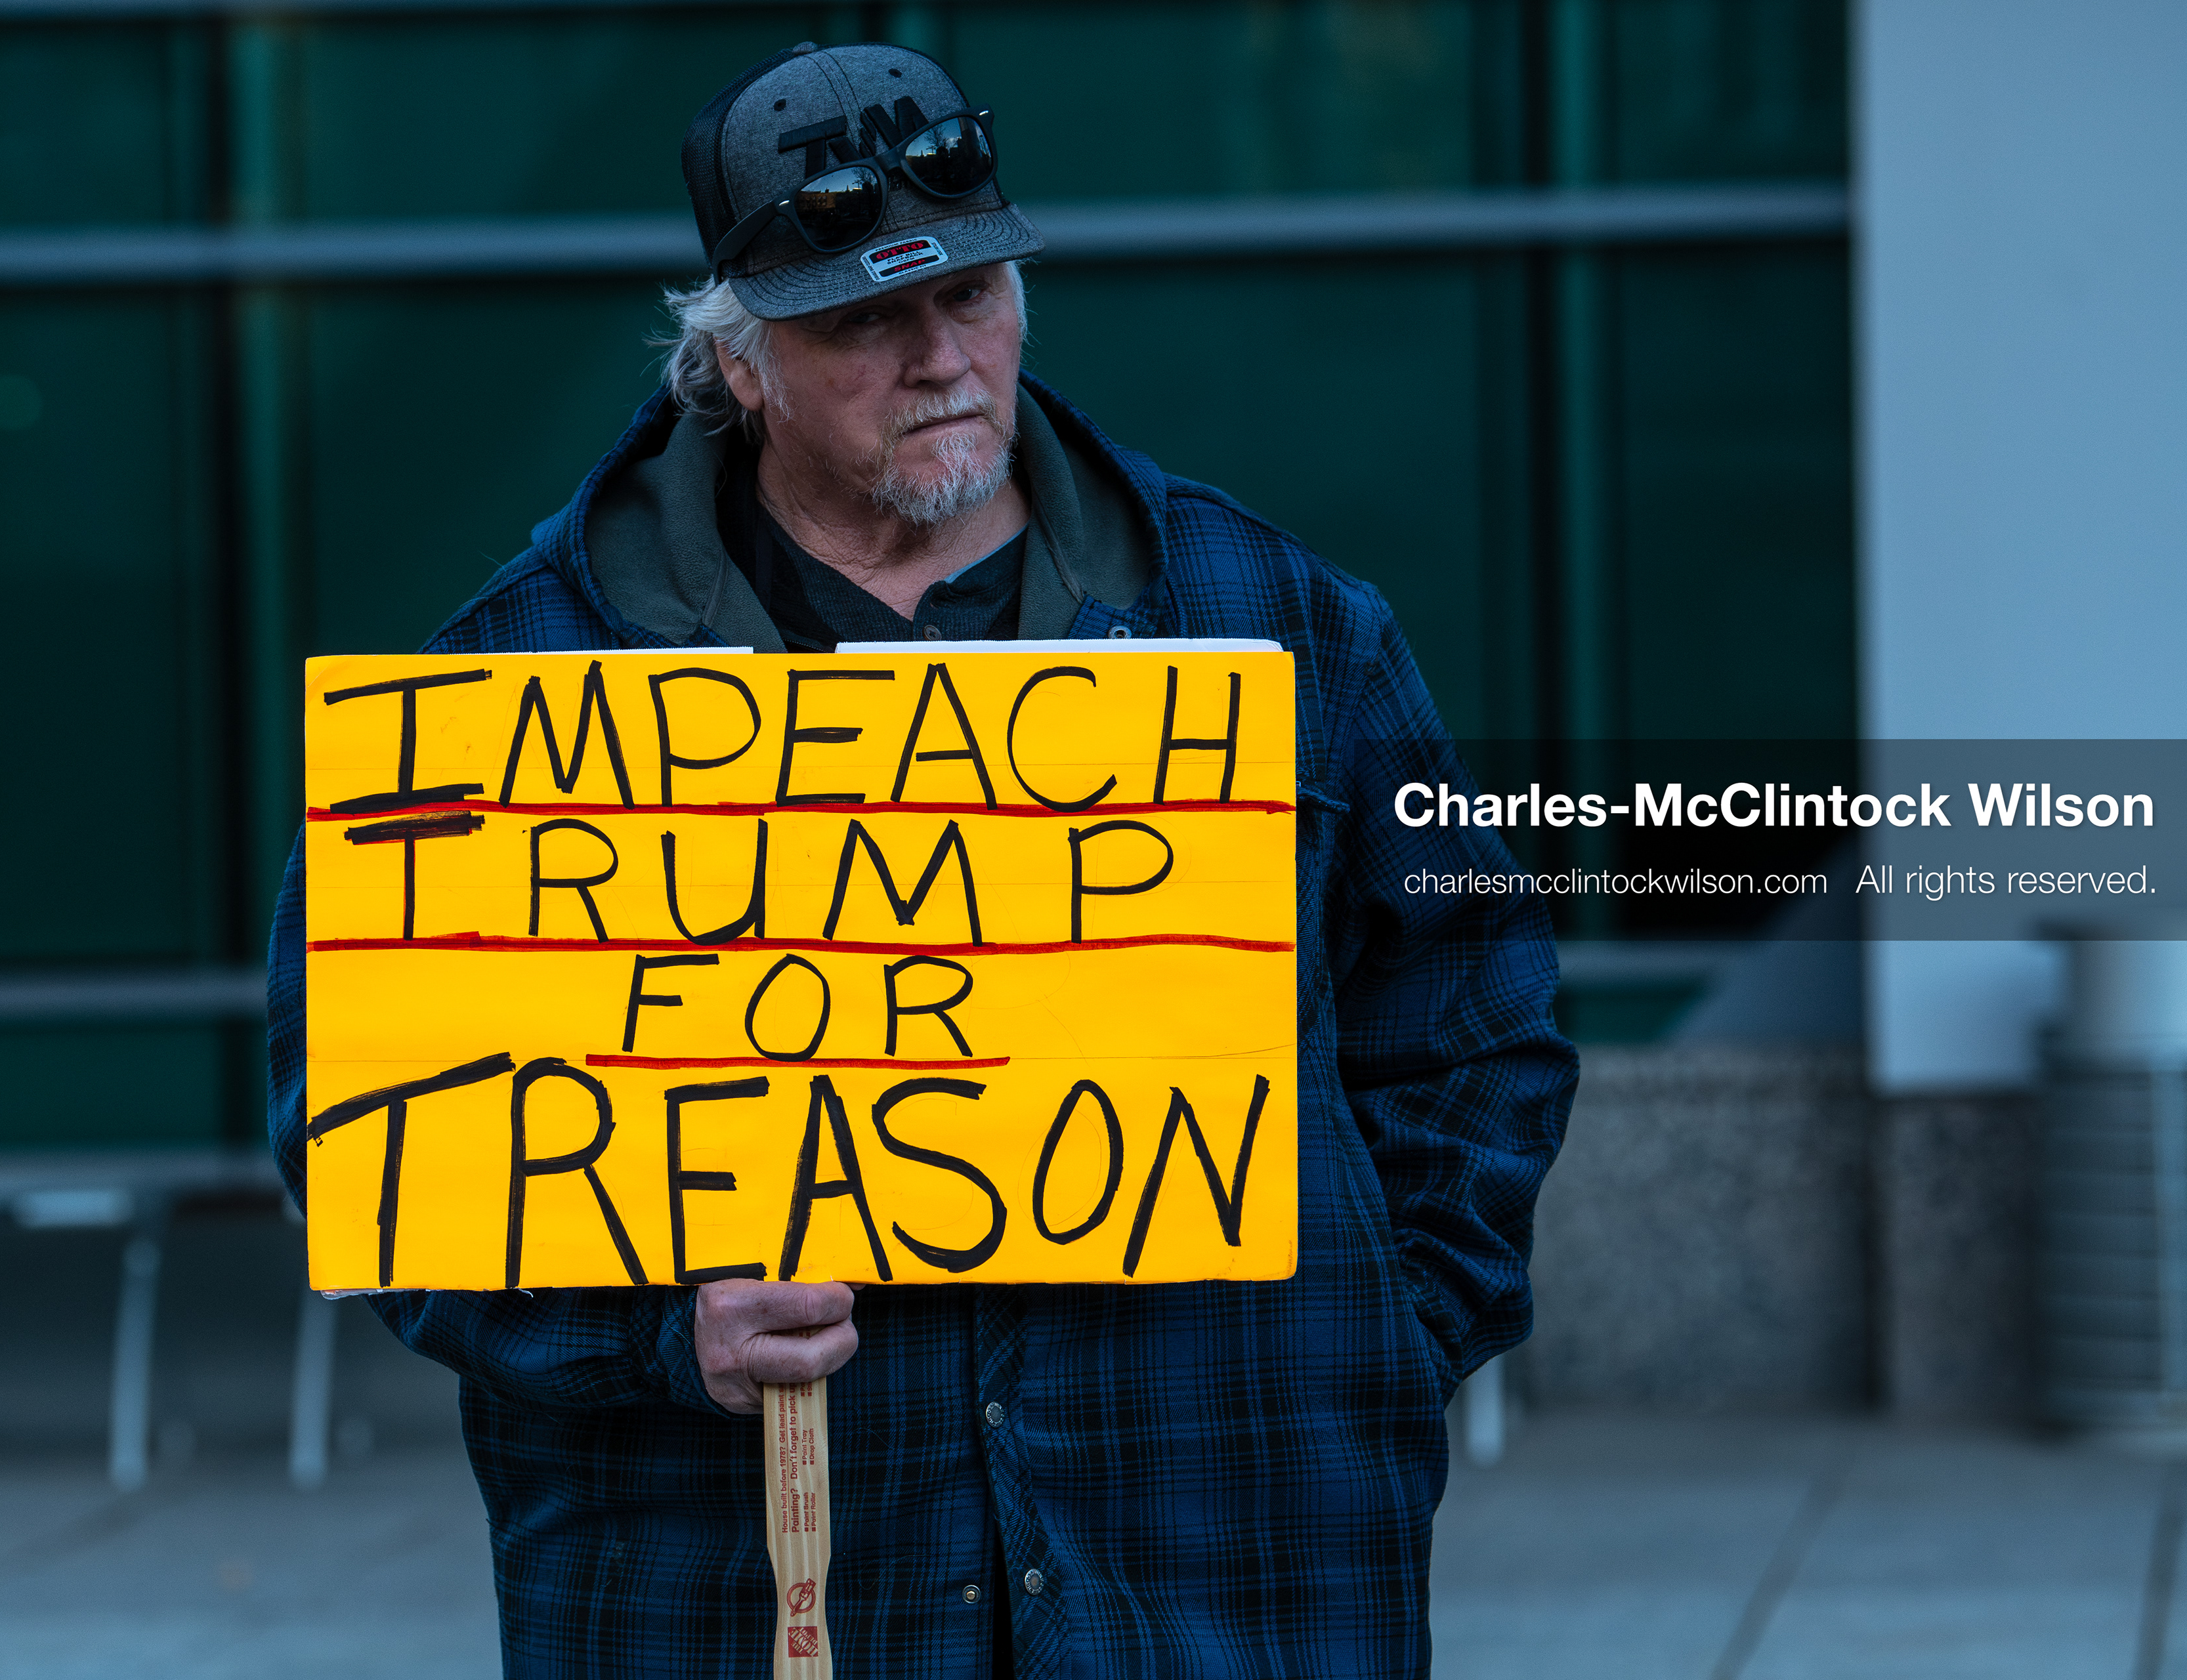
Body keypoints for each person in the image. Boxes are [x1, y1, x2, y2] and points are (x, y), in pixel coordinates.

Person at [266, 40, 1574, 1679]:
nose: (939, 357)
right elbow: (370, 1115)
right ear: (738, 365)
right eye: (859, 323)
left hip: (1225, 1558)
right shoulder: (524, 696)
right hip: (729, 1590)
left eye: (971, 295)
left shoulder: (1282, 625)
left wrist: (1375, 1329)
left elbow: (1477, 1004)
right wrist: (656, 1332)